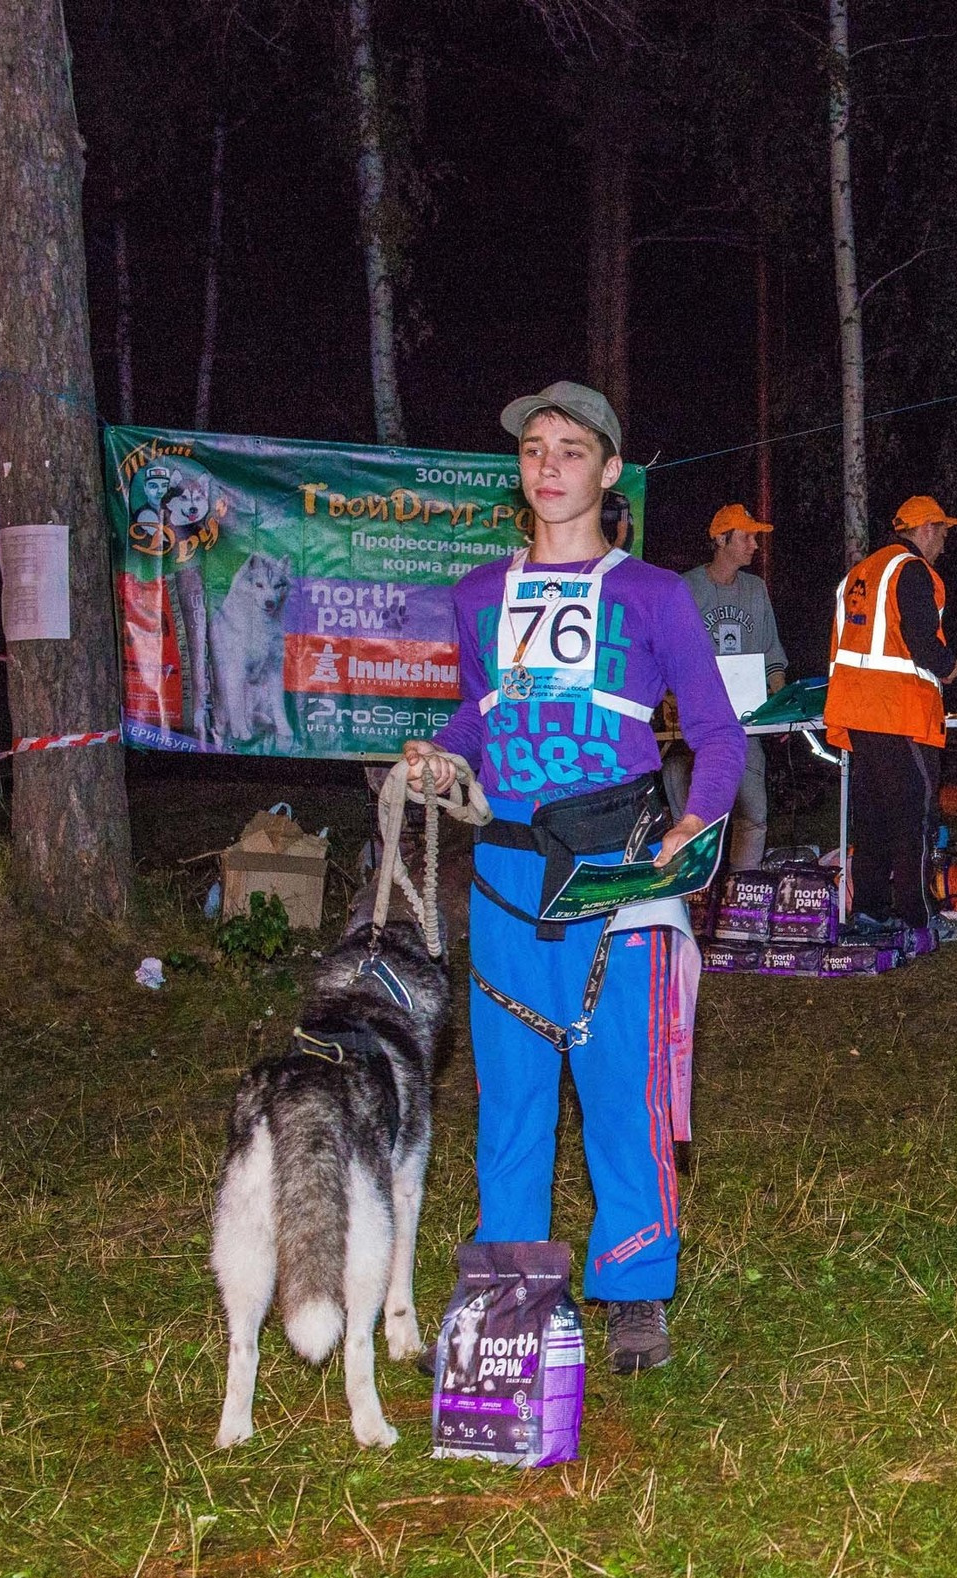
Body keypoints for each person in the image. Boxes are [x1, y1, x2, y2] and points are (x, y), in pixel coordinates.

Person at [401, 381, 746, 1376]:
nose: (548, 465)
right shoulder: (477, 596)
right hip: (507, 876)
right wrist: (441, 751)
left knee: (620, 1091)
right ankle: (507, 1300)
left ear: (607, 470)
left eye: (569, 449)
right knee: (510, 1099)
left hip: (619, 874)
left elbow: (717, 734)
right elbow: (479, 712)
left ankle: (634, 1294)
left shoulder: (653, 594)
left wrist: (695, 818)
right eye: (532, 450)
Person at [825, 495, 957, 940]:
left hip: (860, 714)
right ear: (923, 530)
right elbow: (920, 638)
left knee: (873, 818)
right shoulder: (912, 570)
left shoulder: (858, 574)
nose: (943, 540)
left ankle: (869, 910)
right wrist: (948, 665)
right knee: (914, 817)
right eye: (941, 531)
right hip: (900, 713)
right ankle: (918, 916)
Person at [666, 503, 787, 872]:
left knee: (753, 816)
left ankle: (740, 895)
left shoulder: (756, 589)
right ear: (721, 539)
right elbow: (667, 652)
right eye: (747, 536)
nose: (754, 544)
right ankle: (690, 895)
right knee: (694, 820)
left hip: (745, 725)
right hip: (694, 727)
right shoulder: (686, 587)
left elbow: (772, 656)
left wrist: (780, 708)